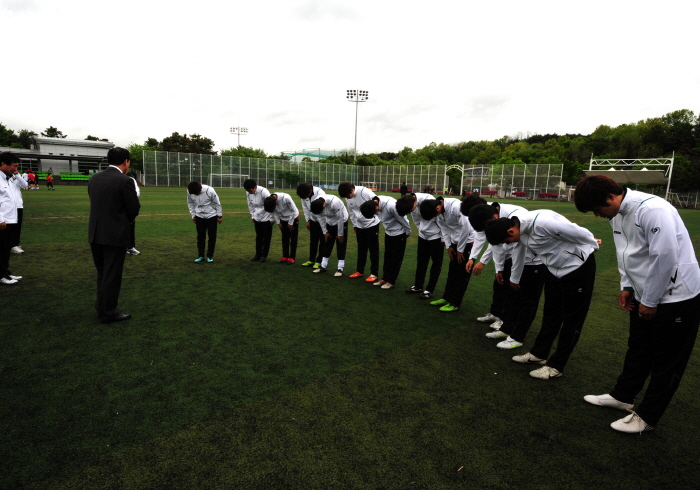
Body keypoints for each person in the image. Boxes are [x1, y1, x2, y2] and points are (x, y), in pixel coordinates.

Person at [574, 175, 700, 434]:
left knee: (667, 360)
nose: (598, 215)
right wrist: (627, 286)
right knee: (639, 347)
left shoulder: (653, 210)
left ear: (611, 197)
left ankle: (648, 416)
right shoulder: (617, 214)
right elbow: (625, 253)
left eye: (597, 209)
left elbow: (664, 257)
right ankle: (623, 396)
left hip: (677, 297)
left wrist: (651, 301)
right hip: (644, 293)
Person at [483, 209, 599, 379]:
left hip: (578, 269)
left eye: (507, 241)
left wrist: (592, 246)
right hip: (553, 270)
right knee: (551, 314)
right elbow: (519, 253)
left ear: (511, 231)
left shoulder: (542, 223)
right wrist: (514, 278)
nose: (509, 244)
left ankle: (556, 366)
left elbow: (580, 232)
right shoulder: (519, 230)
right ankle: (538, 354)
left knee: (571, 320)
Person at [468, 203, 545, 350]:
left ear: (494, 218)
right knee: (511, 295)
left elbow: (518, 249)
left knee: (527, 301)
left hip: (534, 262)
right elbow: (496, 244)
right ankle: (506, 329)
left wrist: (513, 275)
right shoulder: (496, 219)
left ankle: (517, 337)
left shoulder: (518, 219)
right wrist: (500, 270)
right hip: (514, 260)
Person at [88, 147, 140, 323]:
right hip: (114, 235)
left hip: (95, 233)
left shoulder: (94, 178)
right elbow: (134, 208)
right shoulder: (125, 181)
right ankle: (108, 312)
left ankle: (102, 307)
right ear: (126, 161)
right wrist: (126, 221)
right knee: (112, 275)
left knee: (103, 273)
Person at [419, 196, 476, 311]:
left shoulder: (456, 207)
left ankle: (455, 304)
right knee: (452, 271)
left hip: (468, 241)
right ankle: (447, 298)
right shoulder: (439, 210)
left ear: (438, 207)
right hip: (455, 241)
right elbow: (443, 228)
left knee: (462, 273)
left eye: (435, 214)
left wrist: (460, 249)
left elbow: (466, 228)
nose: (436, 216)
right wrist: (449, 246)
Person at [396, 192, 443, 299]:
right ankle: (418, 286)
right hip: (423, 235)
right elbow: (416, 220)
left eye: (411, 209)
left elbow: (439, 219)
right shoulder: (411, 204)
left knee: (436, 263)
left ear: (414, 203)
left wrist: (443, 237)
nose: (412, 211)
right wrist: (421, 230)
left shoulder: (429, 200)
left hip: (436, 237)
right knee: (421, 260)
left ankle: (429, 290)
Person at [360, 195, 411, 289]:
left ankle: (391, 281)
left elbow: (403, 220)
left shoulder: (391, 206)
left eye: (375, 212)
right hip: (388, 233)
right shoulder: (371, 204)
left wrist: (407, 233)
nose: (376, 214)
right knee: (387, 257)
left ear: (376, 207)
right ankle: (385, 278)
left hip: (399, 233)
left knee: (396, 258)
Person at [337, 182, 380, 283]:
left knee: (373, 249)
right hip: (359, 226)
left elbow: (376, 200)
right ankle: (359, 271)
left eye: (348, 195)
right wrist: (355, 225)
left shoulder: (364, 192)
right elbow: (351, 211)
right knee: (361, 248)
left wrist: (374, 215)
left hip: (372, 224)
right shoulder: (348, 196)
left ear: (352, 190)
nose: (348, 198)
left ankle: (374, 273)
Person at [309, 195, 348, 276]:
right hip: (330, 222)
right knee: (327, 243)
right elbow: (320, 218)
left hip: (342, 221)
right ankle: (323, 266)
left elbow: (340, 218)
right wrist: (325, 232)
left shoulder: (334, 202)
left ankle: (340, 268)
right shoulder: (316, 204)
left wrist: (340, 234)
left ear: (324, 205)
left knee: (340, 244)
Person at [0, 152, 23, 284]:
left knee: (6, 248)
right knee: (1, 249)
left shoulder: (8, 178)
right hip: (3, 221)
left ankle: (5, 272)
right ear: (3, 164)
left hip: (11, 219)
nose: (15, 169)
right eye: (13, 166)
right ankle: (1, 275)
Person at [187, 181, 222, 263]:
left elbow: (217, 203)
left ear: (200, 190)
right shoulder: (190, 191)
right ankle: (200, 256)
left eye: (197, 193)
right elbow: (190, 203)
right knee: (200, 236)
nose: (195, 195)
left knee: (212, 236)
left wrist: (219, 216)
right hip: (199, 216)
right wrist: (193, 215)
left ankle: (210, 256)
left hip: (211, 215)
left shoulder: (210, 191)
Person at [296, 183, 326, 268]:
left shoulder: (320, 193)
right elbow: (305, 208)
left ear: (310, 191)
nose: (304, 198)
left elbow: (322, 209)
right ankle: (311, 260)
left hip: (322, 220)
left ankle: (319, 261)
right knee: (313, 240)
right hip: (313, 220)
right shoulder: (304, 193)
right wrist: (308, 220)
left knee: (322, 240)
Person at [263, 192, 299, 264]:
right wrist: (278, 222)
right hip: (282, 219)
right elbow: (275, 212)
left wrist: (290, 223)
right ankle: (285, 256)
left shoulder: (286, 198)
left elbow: (294, 211)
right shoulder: (270, 200)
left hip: (293, 218)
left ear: (276, 201)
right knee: (285, 237)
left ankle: (292, 257)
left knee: (293, 238)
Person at [243, 179, 273, 262]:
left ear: (255, 187)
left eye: (250, 190)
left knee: (266, 238)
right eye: (247, 191)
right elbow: (250, 204)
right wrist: (253, 216)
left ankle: (264, 255)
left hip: (267, 216)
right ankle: (258, 254)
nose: (249, 192)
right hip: (257, 217)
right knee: (258, 237)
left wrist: (271, 218)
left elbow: (271, 204)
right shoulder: (248, 193)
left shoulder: (264, 192)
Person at [9, 163, 28, 254]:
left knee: (17, 226)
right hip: (7, 206)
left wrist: (17, 175)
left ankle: (14, 245)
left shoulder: (16, 176)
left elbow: (25, 185)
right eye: (14, 166)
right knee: (7, 227)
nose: (15, 168)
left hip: (18, 205)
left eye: (17, 166)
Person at [127, 176, 140, 255]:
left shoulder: (130, 179)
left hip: (127, 206)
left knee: (130, 227)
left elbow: (137, 192)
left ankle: (130, 247)